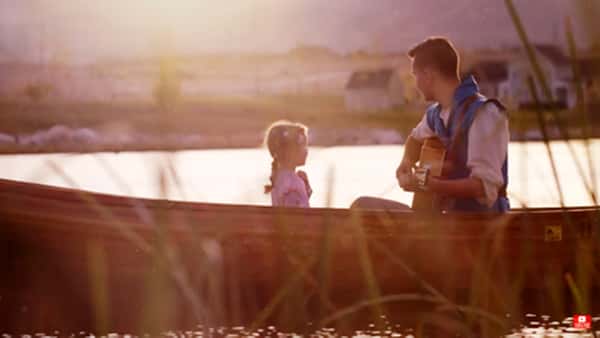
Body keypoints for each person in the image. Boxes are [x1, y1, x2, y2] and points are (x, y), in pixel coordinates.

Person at [352, 37, 509, 213]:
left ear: (428, 75)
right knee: (362, 207)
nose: (415, 84)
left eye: (415, 76)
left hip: (477, 226)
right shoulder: (435, 114)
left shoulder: (484, 114)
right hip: (440, 223)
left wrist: (430, 185)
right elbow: (415, 139)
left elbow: (482, 187)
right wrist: (407, 161)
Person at [264, 120, 312, 208]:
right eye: (304, 145)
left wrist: (306, 194)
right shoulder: (291, 183)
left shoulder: (280, 177)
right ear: (290, 150)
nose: (307, 150)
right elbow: (295, 217)